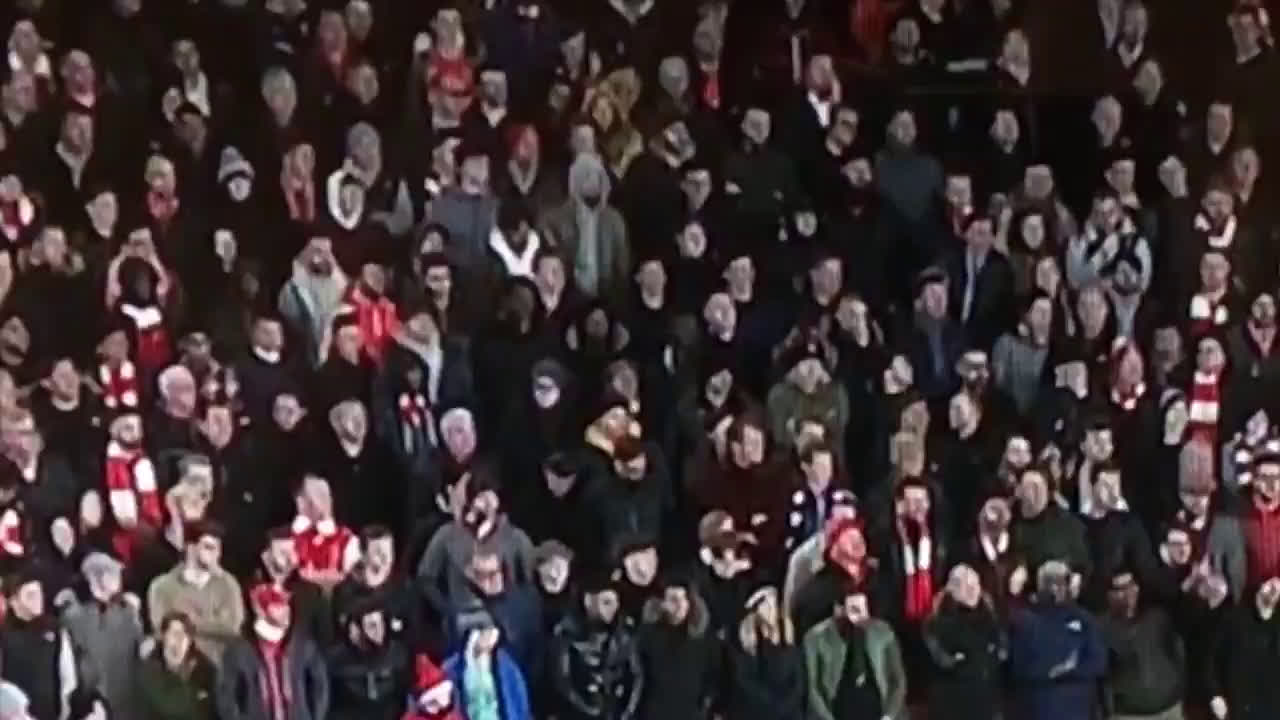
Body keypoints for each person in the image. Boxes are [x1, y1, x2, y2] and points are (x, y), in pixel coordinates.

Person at [1008, 561, 1108, 720]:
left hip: (1077, 710)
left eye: (1060, 582)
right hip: (1040, 709)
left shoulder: (1084, 620)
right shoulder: (1025, 621)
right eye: (1049, 583)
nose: (1055, 588)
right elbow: (1019, 667)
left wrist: (1069, 671)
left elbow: (1098, 662)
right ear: (1040, 586)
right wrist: (1053, 672)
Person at [216, 583, 330, 720]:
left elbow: (319, 686)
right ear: (260, 611)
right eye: (277, 606)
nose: (285, 610)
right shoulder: (239, 650)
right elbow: (227, 696)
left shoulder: (303, 646)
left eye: (285, 604)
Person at [146, 521, 245, 666]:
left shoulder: (228, 584)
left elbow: (232, 628)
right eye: (209, 547)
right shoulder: (162, 586)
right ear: (191, 548)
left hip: (219, 666)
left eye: (218, 549)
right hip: (178, 667)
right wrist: (212, 623)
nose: (216, 554)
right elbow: (160, 628)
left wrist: (186, 622)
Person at [803, 584, 908, 720]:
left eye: (863, 609)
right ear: (839, 610)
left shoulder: (883, 632)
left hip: (876, 705)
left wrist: (888, 715)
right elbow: (812, 687)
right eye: (854, 609)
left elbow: (898, 679)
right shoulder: (816, 637)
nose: (860, 617)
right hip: (839, 706)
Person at [136, 613, 218, 720]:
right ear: (163, 636)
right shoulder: (150, 668)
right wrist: (194, 694)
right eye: (175, 633)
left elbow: (211, 709)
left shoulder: (204, 667)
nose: (180, 639)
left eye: (185, 633)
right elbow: (169, 707)